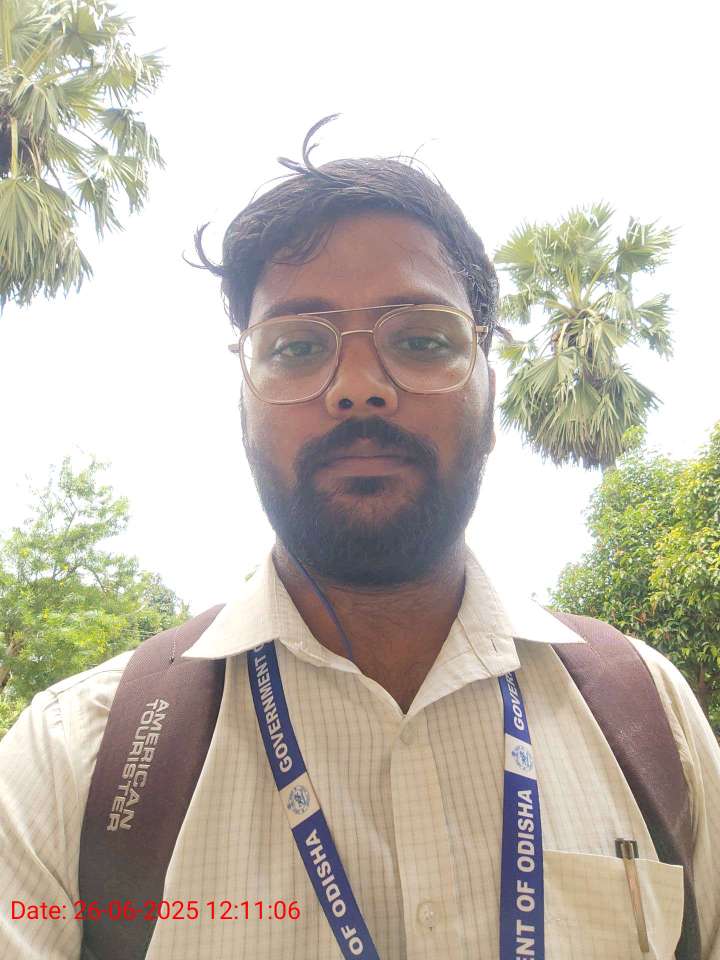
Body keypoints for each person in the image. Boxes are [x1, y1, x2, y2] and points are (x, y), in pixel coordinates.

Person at [1, 116, 719, 960]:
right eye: (296, 347)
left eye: (420, 339)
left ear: (490, 390)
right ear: (243, 404)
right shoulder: (72, 760)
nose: (358, 388)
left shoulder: (652, 719)